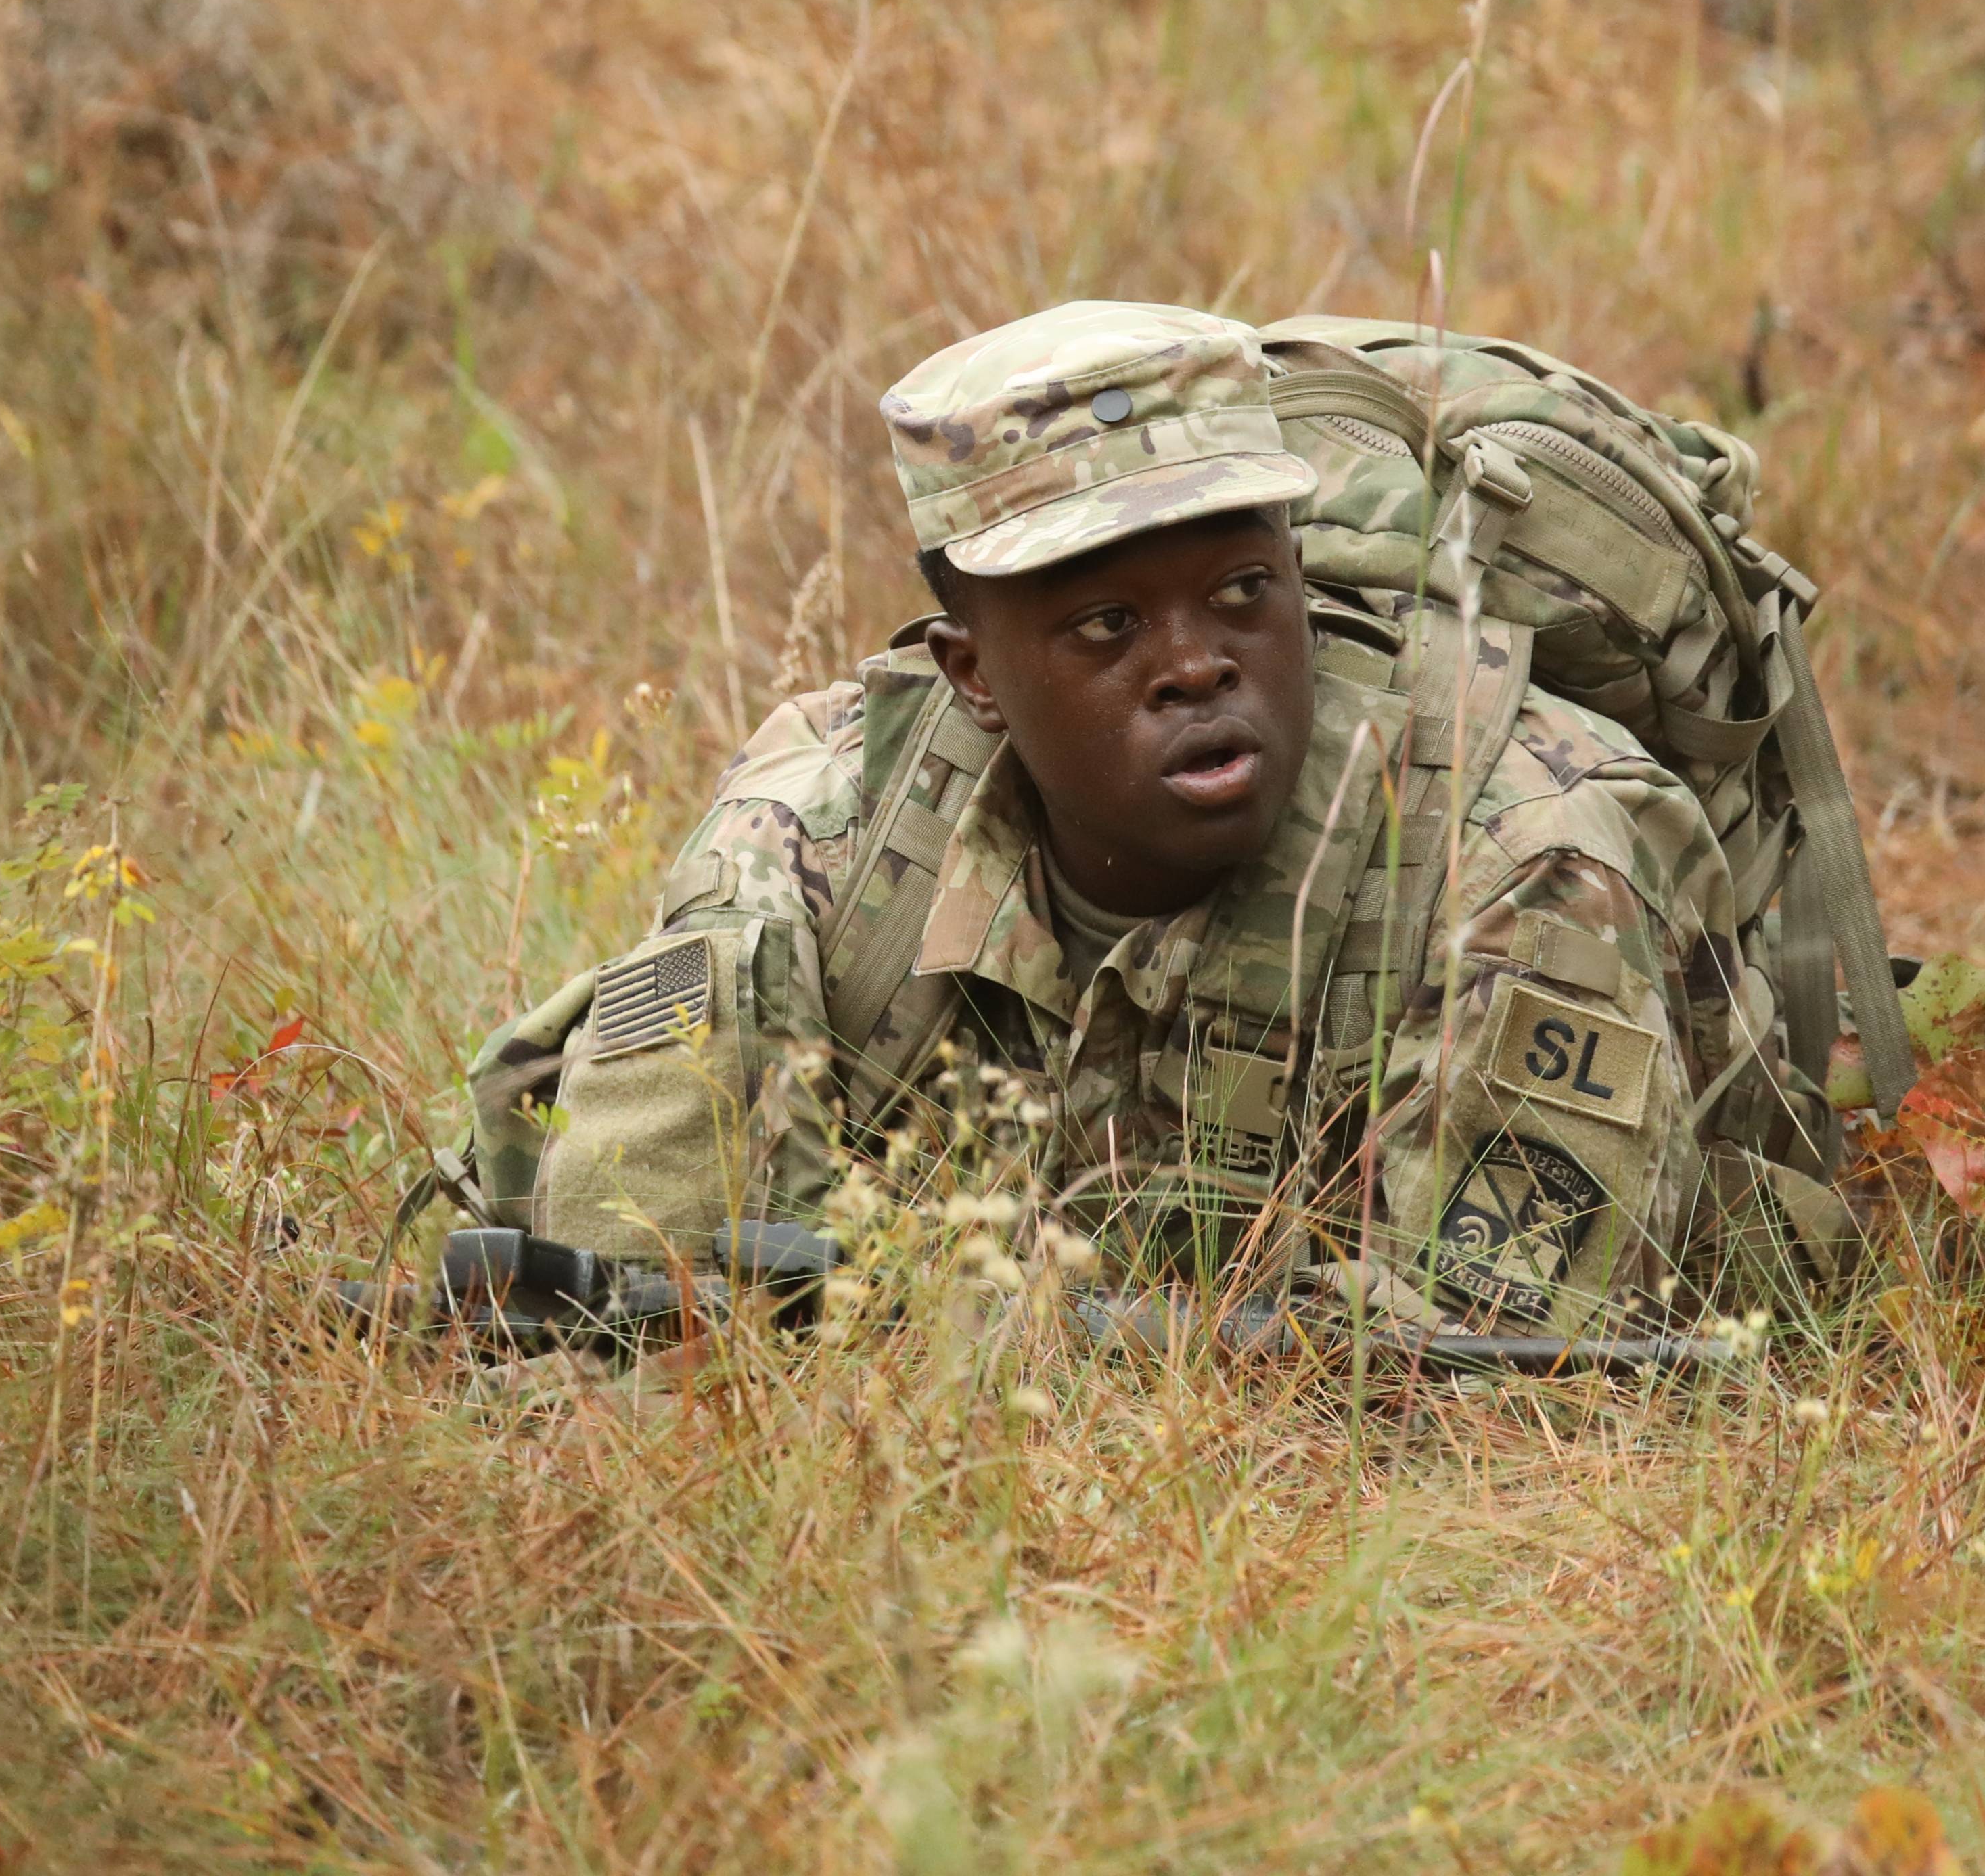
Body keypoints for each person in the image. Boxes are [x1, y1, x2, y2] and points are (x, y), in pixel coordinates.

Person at [463, 302, 1844, 1335]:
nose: (1196, 664)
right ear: (972, 677)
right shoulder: (822, 830)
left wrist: (983, 1351)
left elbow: (1519, 1387)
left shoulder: (1530, 851)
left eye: (1246, 592)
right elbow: (632, 1303)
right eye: (1108, 625)